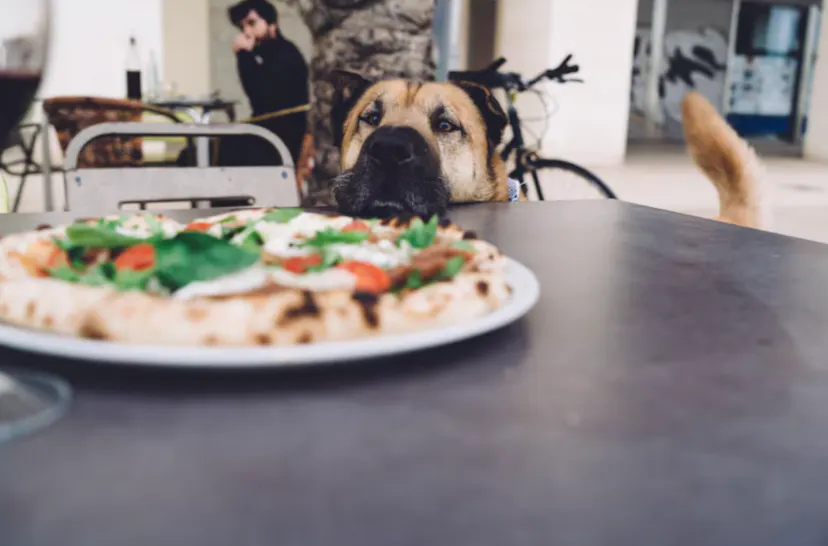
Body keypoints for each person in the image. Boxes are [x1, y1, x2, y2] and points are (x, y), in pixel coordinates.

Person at [228, 0, 309, 119]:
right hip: (271, 125)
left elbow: (261, 100)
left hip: (283, 128)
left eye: (252, 23)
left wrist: (243, 55)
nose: (246, 32)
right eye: (242, 27)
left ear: (271, 24)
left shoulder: (286, 54)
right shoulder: (265, 53)